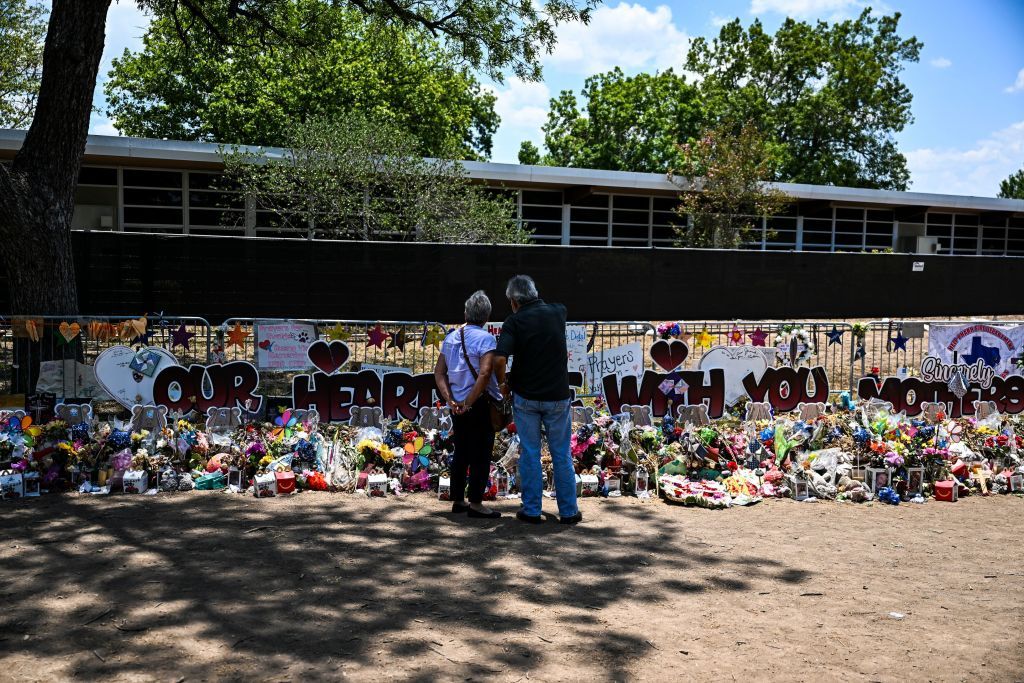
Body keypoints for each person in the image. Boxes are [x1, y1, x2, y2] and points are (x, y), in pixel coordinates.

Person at [493, 275, 581, 525]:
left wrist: (502, 384)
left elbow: (500, 359)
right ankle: (569, 511)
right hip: (558, 396)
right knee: (561, 453)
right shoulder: (558, 312)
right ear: (535, 292)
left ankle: (531, 510)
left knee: (530, 453)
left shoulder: (514, 321)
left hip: (526, 397)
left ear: (513, 301)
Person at [434, 290, 505, 519]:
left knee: (461, 450)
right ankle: (476, 503)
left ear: (466, 312)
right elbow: (485, 374)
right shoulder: (486, 339)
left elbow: (439, 372)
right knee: (481, 453)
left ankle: (458, 499)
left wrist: (451, 400)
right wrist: (468, 402)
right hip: (479, 404)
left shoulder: (451, 337)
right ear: (487, 316)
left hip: (456, 405)